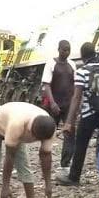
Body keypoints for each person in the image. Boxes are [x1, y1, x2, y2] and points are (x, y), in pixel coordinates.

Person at [56, 42, 99, 186]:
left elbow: (76, 98)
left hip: (89, 114)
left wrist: (69, 122)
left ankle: (74, 177)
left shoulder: (82, 71)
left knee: (81, 146)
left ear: (83, 56)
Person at [0, 102, 56, 198]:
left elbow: (45, 156)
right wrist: (5, 187)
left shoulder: (49, 128)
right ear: (31, 131)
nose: (35, 140)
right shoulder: (17, 124)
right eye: (35, 137)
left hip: (12, 128)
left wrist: (48, 184)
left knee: (24, 165)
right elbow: (10, 156)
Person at [41, 40, 76, 173]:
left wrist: (75, 104)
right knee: (49, 133)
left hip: (68, 105)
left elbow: (75, 85)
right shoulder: (51, 63)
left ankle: (65, 163)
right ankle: (45, 159)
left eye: (68, 50)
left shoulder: (72, 64)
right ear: (58, 49)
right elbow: (47, 85)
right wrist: (52, 103)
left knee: (70, 133)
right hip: (54, 106)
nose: (66, 52)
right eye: (64, 49)